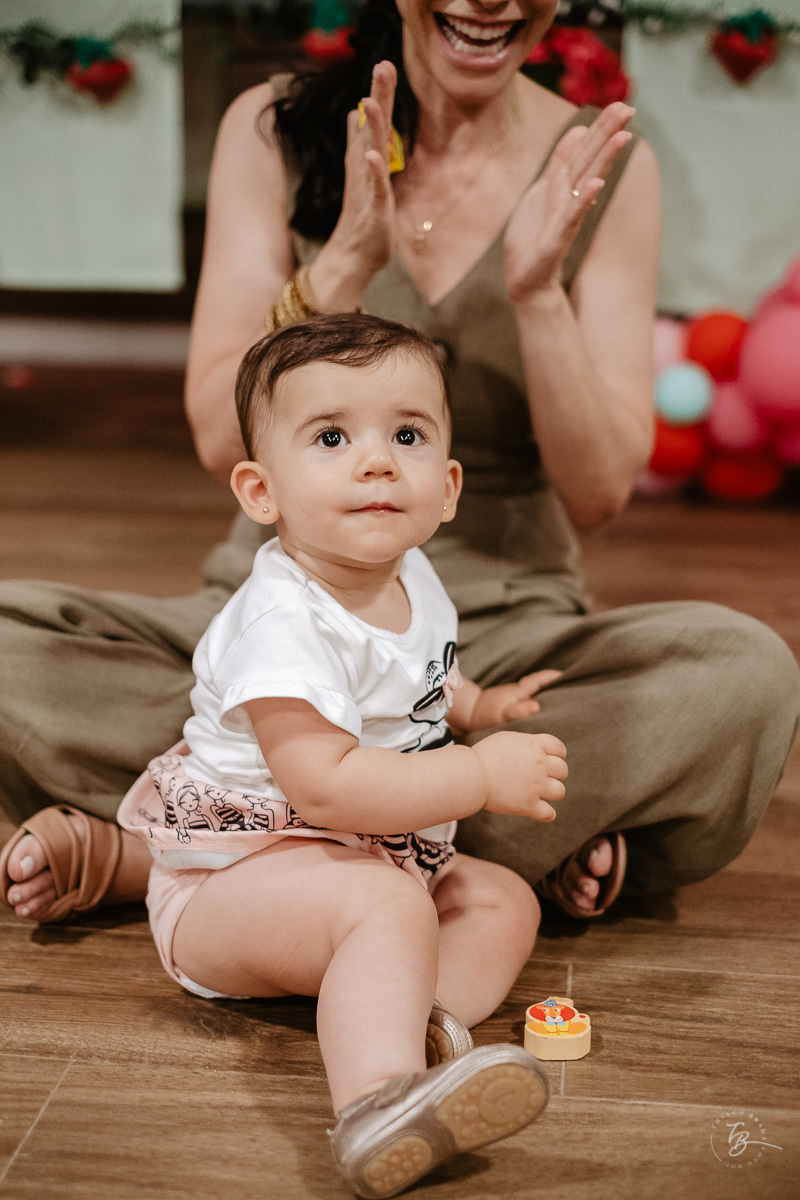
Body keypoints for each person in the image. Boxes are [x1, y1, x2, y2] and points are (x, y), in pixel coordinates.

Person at [2, 0, 798, 924]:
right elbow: (222, 441)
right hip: (282, 626)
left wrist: (538, 296)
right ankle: (486, 844)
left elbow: (599, 493)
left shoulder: (602, 165)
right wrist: (341, 263)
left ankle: (196, 841)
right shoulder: (275, 129)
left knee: (741, 673)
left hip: (497, 646)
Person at [117, 313, 559, 1197]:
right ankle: (377, 1104)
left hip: (367, 862)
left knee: (503, 901)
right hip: (235, 881)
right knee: (385, 906)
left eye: (407, 434)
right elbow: (327, 789)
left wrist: (479, 705)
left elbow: (424, 679)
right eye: (331, 437)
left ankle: (412, 1028)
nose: (377, 461)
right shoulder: (284, 623)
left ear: (449, 485)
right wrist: (477, 773)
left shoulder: (410, 570)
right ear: (260, 491)